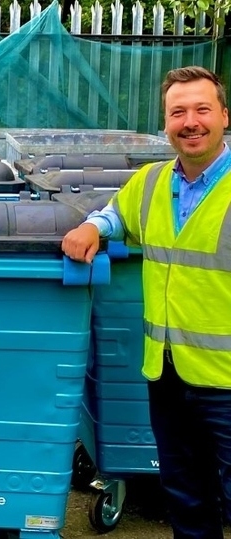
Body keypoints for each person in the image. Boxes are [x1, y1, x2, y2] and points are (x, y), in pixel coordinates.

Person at [62, 65, 231, 539]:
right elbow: (115, 213)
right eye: (178, 112)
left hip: (228, 383)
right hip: (168, 373)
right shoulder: (153, 182)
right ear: (166, 123)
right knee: (186, 496)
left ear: (224, 115)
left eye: (202, 109)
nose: (190, 121)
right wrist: (93, 227)